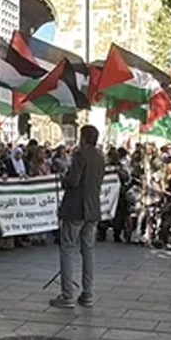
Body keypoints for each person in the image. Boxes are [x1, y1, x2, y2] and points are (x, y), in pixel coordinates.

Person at [49, 125, 103, 309]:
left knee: (67, 248)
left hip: (76, 208)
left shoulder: (81, 155)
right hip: (93, 208)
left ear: (83, 137)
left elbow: (73, 181)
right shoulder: (100, 156)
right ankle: (88, 293)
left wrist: (63, 177)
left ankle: (67, 295)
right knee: (88, 251)